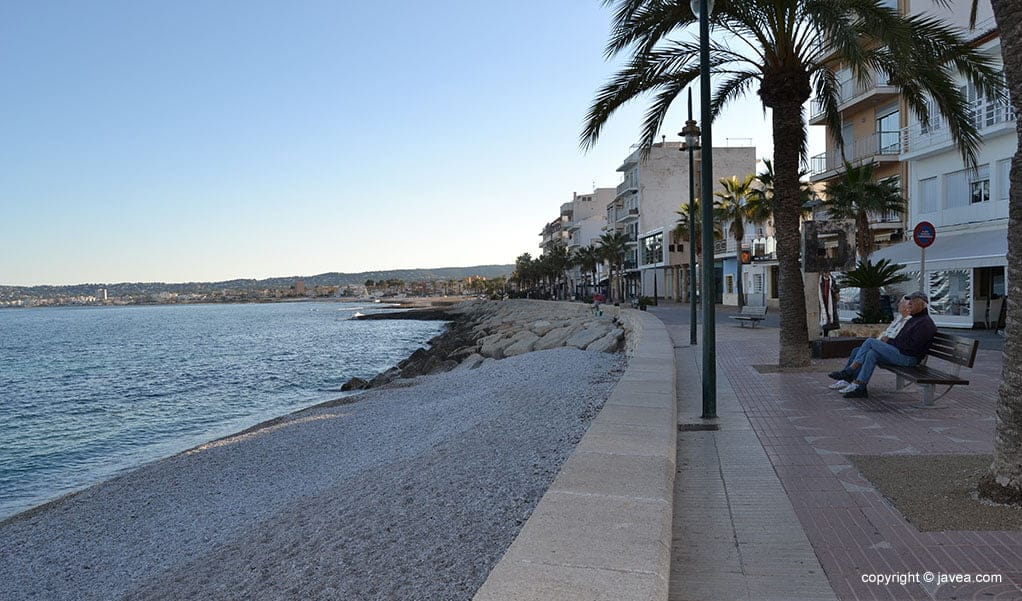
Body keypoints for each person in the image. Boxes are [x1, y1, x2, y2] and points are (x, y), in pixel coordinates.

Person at [827, 291, 937, 398]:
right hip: (901, 353)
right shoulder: (914, 320)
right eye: (909, 301)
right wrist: (890, 343)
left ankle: (849, 371)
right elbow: (900, 340)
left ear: (922, 304)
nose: (910, 303)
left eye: (913, 301)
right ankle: (860, 386)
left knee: (870, 342)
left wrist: (889, 342)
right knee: (871, 353)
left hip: (908, 358)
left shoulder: (925, 323)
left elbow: (913, 348)